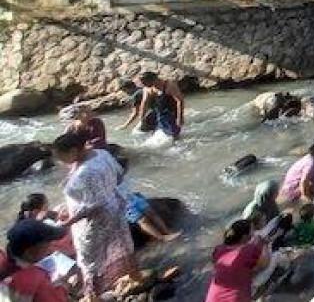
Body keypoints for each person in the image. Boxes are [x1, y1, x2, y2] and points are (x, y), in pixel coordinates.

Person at [51, 132, 138, 300]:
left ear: (73, 151)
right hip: (115, 209)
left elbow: (94, 205)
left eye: (61, 157)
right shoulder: (101, 154)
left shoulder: (86, 172)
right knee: (122, 243)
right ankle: (135, 277)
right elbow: (119, 175)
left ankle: (93, 296)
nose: (60, 161)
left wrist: (69, 222)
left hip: (96, 221)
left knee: (90, 259)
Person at [1, 219, 72, 302]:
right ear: (29, 253)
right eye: (47, 244)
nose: (50, 247)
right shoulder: (37, 281)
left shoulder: (3, 263)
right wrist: (62, 286)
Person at [204, 219, 269, 302]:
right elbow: (265, 263)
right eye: (252, 230)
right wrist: (265, 244)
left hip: (213, 298)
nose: (253, 233)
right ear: (245, 236)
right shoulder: (249, 250)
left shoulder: (219, 249)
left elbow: (220, 267)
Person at [121, 72, 184, 139]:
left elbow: (179, 101)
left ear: (153, 79)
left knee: (173, 135)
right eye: (142, 83)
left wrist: (180, 118)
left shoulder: (169, 85)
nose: (143, 85)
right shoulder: (148, 89)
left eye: (145, 83)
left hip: (171, 111)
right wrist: (142, 119)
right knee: (140, 130)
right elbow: (144, 103)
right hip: (158, 111)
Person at [278, 139, 314, 206]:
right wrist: (306, 198)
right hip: (293, 191)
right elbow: (304, 181)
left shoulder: (310, 157)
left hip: (290, 188)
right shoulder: (312, 163)